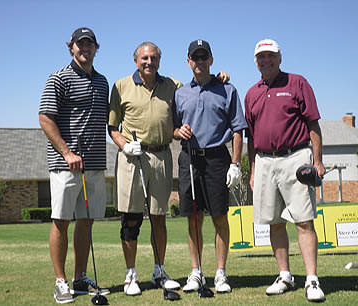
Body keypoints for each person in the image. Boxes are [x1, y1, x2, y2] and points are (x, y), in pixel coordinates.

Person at [108, 41, 230, 296]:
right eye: (144, 58)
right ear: (136, 61)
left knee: (158, 218)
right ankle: (131, 274)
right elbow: (112, 127)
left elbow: (199, 88)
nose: (149, 62)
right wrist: (124, 145)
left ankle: (159, 270)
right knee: (130, 220)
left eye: (154, 58)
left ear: (159, 61)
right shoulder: (120, 86)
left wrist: (218, 78)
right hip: (133, 158)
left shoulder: (172, 86)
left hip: (162, 156)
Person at [245, 39, 326, 302]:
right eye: (261, 57)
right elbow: (251, 137)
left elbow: (313, 124)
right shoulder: (251, 93)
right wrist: (253, 169)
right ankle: (285, 276)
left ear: (280, 58)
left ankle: (312, 279)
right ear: (255, 61)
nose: (265, 60)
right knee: (275, 223)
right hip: (265, 162)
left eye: (270, 56)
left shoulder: (297, 83)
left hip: (296, 158)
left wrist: (318, 161)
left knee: (303, 221)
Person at [39, 27, 109, 304]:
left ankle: (80, 277)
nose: (85, 48)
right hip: (65, 165)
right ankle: (61, 282)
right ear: (71, 47)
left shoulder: (102, 82)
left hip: (94, 165)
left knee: (86, 221)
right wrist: (67, 152)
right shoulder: (59, 78)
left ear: (96, 48)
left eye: (89, 44)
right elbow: (45, 117)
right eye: (80, 44)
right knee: (61, 221)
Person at [173, 39, 247, 294]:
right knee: (194, 220)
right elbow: (173, 127)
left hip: (217, 159)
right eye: (196, 57)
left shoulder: (228, 89)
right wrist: (177, 131)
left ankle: (220, 273)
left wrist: (235, 164)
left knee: (219, 217)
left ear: (211, 60)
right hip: (189, 158)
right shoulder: (180, 92)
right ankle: (196, 273)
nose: (200, 61)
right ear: (189, 61)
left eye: (204, 57)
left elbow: (238, 130)